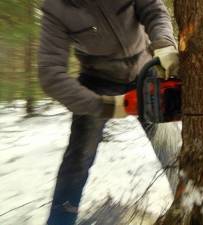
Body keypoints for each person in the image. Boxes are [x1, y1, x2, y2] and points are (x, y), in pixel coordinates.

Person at [37, 0, 179, 224]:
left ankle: (193, 204)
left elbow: (152, 9)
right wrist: (107, 105)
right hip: (97, 82)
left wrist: (164, 44)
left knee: (171, 146)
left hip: (144, 73)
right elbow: (50, 74)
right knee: (78, 158)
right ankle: (60, 219)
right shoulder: (56, 8)